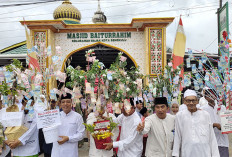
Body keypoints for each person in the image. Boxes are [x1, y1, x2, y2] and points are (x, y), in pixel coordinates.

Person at [172, 89, 220, 157]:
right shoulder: (180, 116)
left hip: (204, 152)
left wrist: (215, 155)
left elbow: (211, 136)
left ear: (197, 101)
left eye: (193, 100)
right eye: (188, 100)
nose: (191, 103)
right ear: (184, 102)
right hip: (187, 152)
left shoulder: (205, 114)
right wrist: (175, 154)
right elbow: (177, 136)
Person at [51, 93, 85, 157]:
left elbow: (81, 134)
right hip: (57, 152)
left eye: (68, 102)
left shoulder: (78, 117)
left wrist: (68, 138)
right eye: (63, 102)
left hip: (71, 152)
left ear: (71, 103)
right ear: (60, 103)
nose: (65, 104)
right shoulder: (55, 116)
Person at [201, 89, 229, 157]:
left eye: (212, 95)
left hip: (223, 142)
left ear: (215, 96)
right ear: (205, 97)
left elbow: (227, 126)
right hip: (210, 143)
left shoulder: (223, 108)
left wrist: (224, 127)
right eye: (208, 96)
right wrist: (213, 125)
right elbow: (202, 126)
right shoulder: (203, 110)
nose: (210, 97)